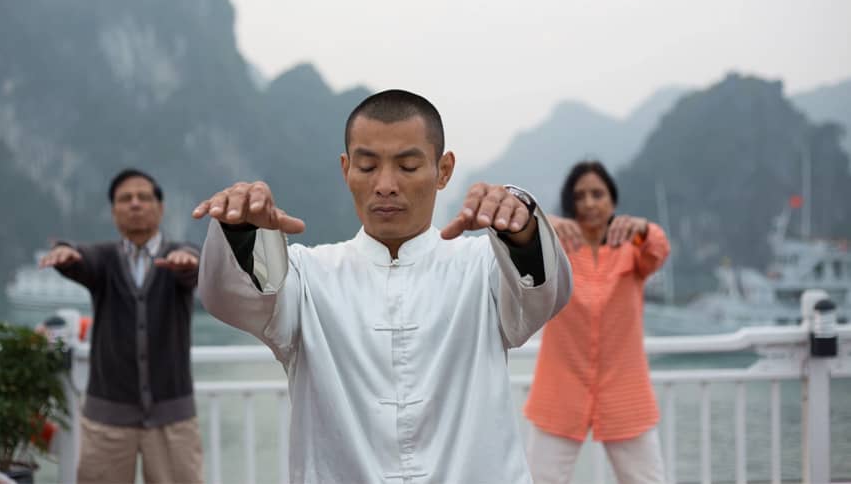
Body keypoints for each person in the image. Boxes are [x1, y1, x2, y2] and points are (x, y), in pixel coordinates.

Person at [193, 89, 573, 483]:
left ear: (444, 170)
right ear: (346, 169)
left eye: (408, 166)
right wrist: (241, 230)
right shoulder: (307, 276)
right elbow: (236, 298)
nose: (386, 185)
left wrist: (521, 226)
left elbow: (544, 294)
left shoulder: (483, 266)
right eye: (368, 166)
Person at [39, 169, 204, 484]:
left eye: (144, 197)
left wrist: (189, 260)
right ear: (114, 211)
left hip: (173, 421)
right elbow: (82, 258)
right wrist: (66, 253)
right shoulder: (104, 259)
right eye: (125, 199)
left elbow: (192, 266)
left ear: (160, 207)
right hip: (107, 421)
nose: (135, 204)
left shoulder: (178, 255)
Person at [523, 161, 670, 484]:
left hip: (625, 391)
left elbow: (659, 249)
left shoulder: (633, 250)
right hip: (560, 389)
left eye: (597, 194)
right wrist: (545, 222)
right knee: (540, 479)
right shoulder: (557, 248)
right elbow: (519, 241)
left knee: (646, 479)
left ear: (612, 202)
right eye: (580, 196)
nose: (589, 203)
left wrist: (643, 228)